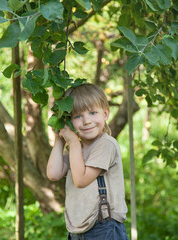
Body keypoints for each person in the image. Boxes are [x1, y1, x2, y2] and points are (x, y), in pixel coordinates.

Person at [47, 83, 129, 239]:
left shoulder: (106, 144)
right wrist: (60, 137)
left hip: (104, 227)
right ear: (69, 121)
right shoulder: (76, 149)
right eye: (78, 116)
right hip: (77, 230)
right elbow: (54, 173)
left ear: (105, 114)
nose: (86, 121)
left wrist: (73, 142)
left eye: (93, 113)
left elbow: (81, 180)